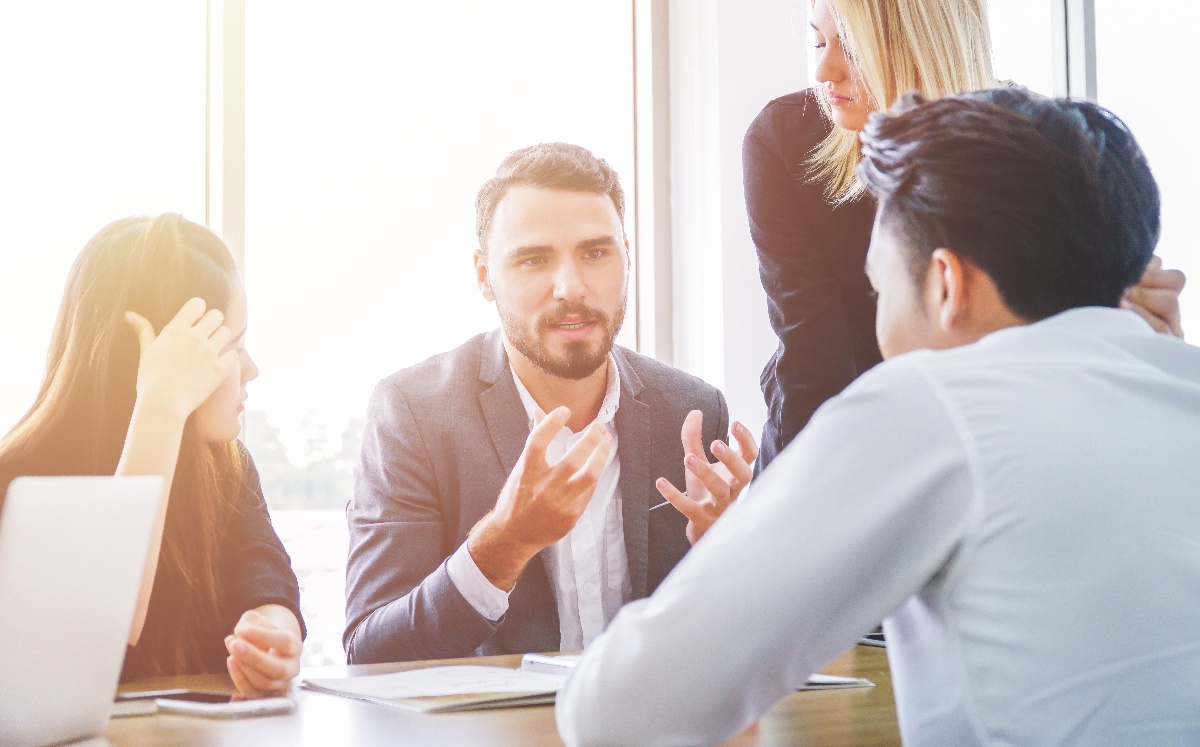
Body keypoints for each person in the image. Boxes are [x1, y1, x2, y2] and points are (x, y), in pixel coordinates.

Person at [556, 90, 1200, 745]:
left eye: (878, 286)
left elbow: (617, 710)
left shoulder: (929, 403)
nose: (876, 308)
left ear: (947, 285)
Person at [343, 143, 755, 664]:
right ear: (483, 275)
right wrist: (503, 543)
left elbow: (723, 656)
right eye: (534, 259)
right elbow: (370, 653)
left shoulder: (692, 409)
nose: (572, 287)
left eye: (595, 253)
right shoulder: (414, 412)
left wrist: (727, 556)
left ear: (626, 254)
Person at [747, 0, 1187, 469]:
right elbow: (811, 356)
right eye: (818, 41)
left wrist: (1142, 340)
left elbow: (1072, 345)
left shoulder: (1034, 142)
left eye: (852, 48)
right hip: (836, 440)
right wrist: (780, 505)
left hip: (1009, 435)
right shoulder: (784, 140)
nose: (823, 70)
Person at [0, 214, 304, 696]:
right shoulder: (15, 483)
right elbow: (102, 638)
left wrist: (273, 632)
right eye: (235, 345)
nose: (252, 369)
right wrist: (161, 407)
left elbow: (264, 576)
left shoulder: (229, 468)